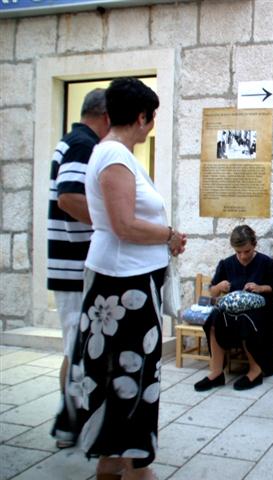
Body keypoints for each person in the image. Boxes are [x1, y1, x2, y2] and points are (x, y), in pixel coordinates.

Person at [53, 77, 187, 480]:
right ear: (142, 117)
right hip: (121, 289)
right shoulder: (113, 156)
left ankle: (115, 466)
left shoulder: (115, 153)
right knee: (127, 382)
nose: (151, 127)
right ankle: (131, 465)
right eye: (151, 119)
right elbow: (124, 225)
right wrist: (168, 235)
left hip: (127, 284)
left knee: (121, 383)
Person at [47, 88, 109, 449]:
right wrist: (110, 222)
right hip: (73, 265)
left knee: (77, 347)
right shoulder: (83, 144)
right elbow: (69, 197)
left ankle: (70, 419)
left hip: (68, 263)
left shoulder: (73, 141)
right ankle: (69, 421)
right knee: (78, 346)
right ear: (104, 117)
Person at [194, 225, 273, 392]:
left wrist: (261, 288)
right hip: (231, 311)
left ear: (254, 245)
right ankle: (216, 373)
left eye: (247, 251)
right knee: (212, 318)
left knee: (246, 318)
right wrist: (218, 287)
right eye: (239, 252)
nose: (243, 256)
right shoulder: (226, 264)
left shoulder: (266, 263)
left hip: (261, 310)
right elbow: (212, 291)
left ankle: (255, 370)